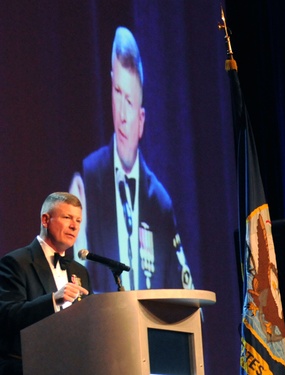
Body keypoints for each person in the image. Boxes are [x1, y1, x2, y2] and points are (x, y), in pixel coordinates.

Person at [69, 26, 194, 293]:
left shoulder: (160, 203)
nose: (123, 115)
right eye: (117, 92)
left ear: (142, 120)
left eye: (130, 100)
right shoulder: (89, 178)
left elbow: (181, 292)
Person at [0, 192, 91, 374]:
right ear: (45, 220)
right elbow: (6, 316)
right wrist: (53, 300)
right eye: (67, 218)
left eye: (79, 221)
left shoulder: (80, 272)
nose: (74, 226)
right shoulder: (16, 263)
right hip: (25, 368)